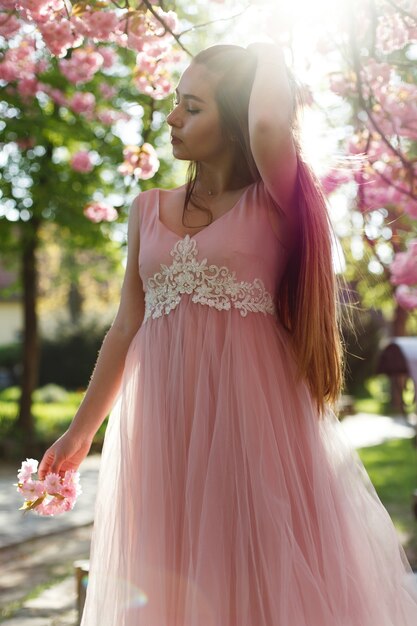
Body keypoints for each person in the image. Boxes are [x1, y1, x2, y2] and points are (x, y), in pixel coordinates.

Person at [39, 42, 417, 625]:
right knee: (176, 578)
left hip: (254, 427)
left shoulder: (276, 203)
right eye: (175, 103)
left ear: (236, 121)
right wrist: (79, 431)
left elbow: (269, 120)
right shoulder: (146, 209)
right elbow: (124, 328)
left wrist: (266, 43)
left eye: (192, 107)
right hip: (166, 431)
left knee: (257, 583)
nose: (171, 119)